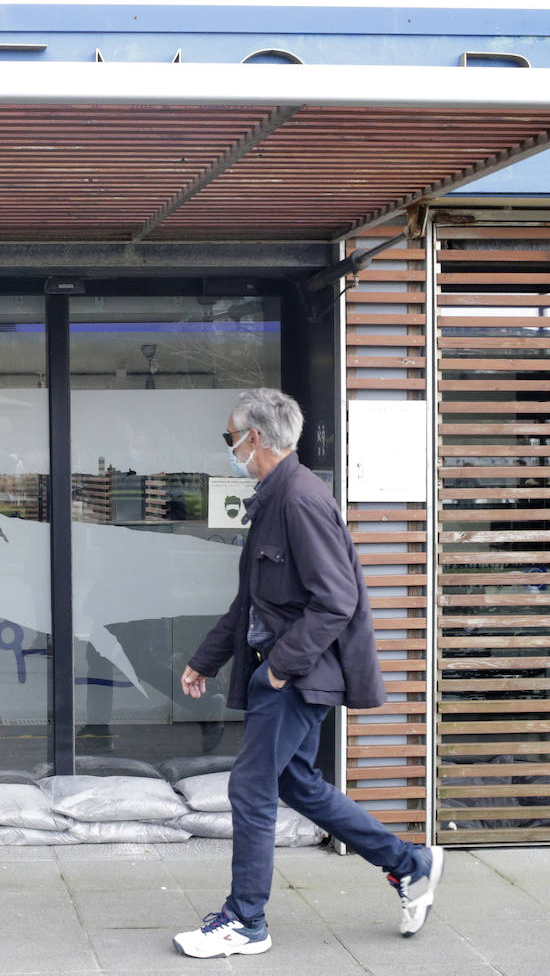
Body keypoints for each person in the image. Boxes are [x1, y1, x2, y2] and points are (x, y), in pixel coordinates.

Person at [173, 388, 442, 960]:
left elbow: (336, 600)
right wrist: (205, 659)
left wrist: (279, 671)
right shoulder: (275, 496)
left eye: (230, 439)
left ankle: (246, 922)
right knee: (295, 783)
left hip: (296, 674)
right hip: (289, 670)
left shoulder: (299, 499)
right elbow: (250, 601)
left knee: (250, 787)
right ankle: (408, 862)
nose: (228, 450)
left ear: (254, 439)